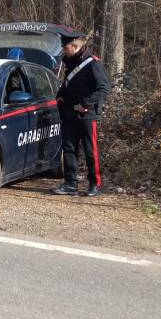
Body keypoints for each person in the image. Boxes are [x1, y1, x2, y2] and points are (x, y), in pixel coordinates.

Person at [53, 34, 111, 197]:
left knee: (90, 150)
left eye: (65, 48)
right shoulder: (70, 61)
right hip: (69, 113)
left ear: (75, 46)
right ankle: (70, 183)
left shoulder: (93, 63)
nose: (63, 51)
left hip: (87, 115)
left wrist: (85, 104)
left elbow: (104, 88)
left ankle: (95, 184)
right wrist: (60, 95)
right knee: (69, 149)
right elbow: (68, 83)